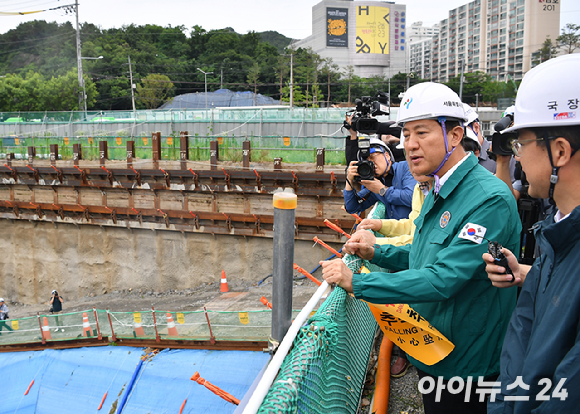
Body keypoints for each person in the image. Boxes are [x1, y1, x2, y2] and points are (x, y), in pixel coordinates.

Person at [321, 82, 521, 414]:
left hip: (466, 363)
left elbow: (443, 278)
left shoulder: (488, 199)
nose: (409, 145)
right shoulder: (437, 186)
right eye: (406, 134)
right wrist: (377, 253)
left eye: (422, 133)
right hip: (435, 349)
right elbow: (424, 252)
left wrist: (356, 282)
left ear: (455, 135)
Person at [483, 54, 580, 413]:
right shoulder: (559, 229)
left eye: (521, 144)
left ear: (559, 151)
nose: (517, 158)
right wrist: (529, 275)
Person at [355, 176, 432, 378]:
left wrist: (379, 244)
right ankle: (409, 354)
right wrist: (381, 224)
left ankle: (408, 355)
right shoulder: (420, 186)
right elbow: (415, 225)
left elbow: (419, 240)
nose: (412, 151)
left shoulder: (439, 186)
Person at [344, 137, 416, 219]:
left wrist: (382, 190)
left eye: (372, 157)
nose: (371, 163)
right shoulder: (376, 184)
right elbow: (351, 208)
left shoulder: (405, 167)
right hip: (393, 230)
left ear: (387, 155)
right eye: (366, 161)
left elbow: (412, 198)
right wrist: (349, 181)